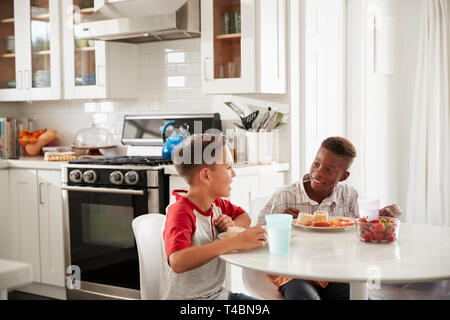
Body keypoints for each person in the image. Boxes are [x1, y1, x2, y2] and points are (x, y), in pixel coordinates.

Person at [257, 136, 402, 300]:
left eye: (329, 170)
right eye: (316, 164)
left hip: (334, 271)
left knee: (358, 296)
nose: (318, 173)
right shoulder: (285, 196)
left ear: (343, 176)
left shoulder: (349, 196)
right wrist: (278, 223)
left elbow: (369, 228)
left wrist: (392, 211)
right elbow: (257, 236)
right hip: (293, 272)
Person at [159, 133, 267, 300]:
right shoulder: (180, 212)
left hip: (218, 295)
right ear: (206, 176)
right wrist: (233, 241)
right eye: (229, 167)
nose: (234, 174)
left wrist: (232, 227)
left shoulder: (216, 204)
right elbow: (177, 261)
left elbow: (244, 216)